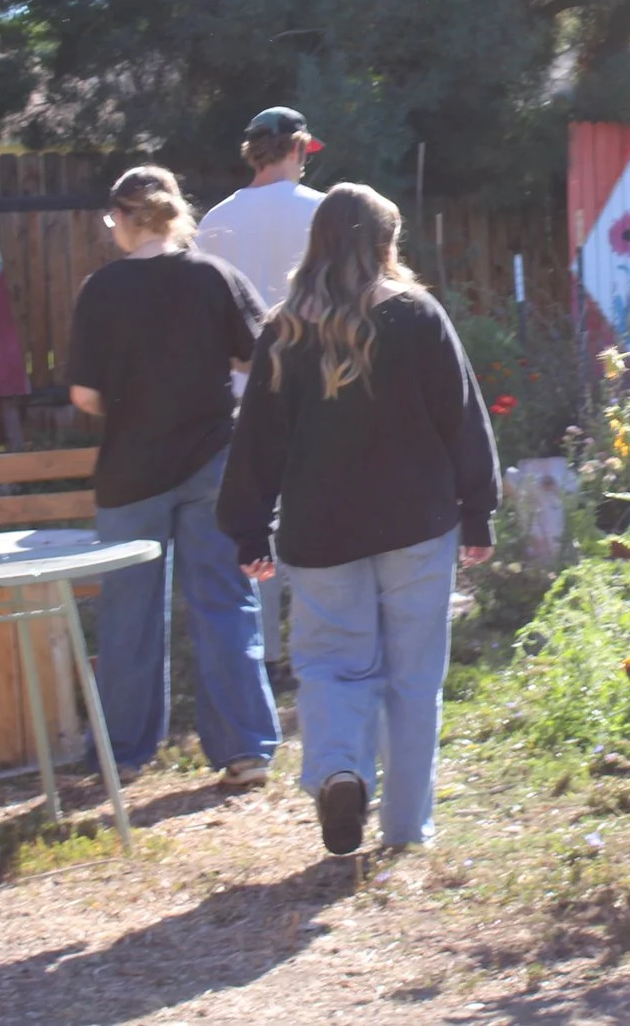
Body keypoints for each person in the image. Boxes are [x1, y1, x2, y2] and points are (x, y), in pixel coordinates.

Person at [219, 184, 498, 856]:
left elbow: (256, 437)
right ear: (384, 244)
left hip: (320, 532)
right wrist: (478, 511)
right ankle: (406, 830)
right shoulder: (417, 314)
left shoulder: (285, 329)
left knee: (332, 665)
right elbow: (460, 416)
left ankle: (341, 769)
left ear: (317, 244)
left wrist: (250, 529)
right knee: (413, 678)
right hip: (416, 523)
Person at [67, 166, 280, 788]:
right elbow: (263, 353)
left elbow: (84, 395)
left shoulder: (101, 290)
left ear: (123, 218)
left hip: (131, 472)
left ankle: (125, 752)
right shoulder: (214, 275)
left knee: (128, 615)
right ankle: (245, 750)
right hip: (214, 461)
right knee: (225, 602)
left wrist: (134, 407)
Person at [195, 107, 328, 693]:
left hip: (245, 391)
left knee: (258, 517)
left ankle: (266, 651)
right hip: (320, 382)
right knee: (316, 511)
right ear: (297, 148)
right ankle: (315, 639)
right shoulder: (323, 210)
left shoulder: (215, 224)